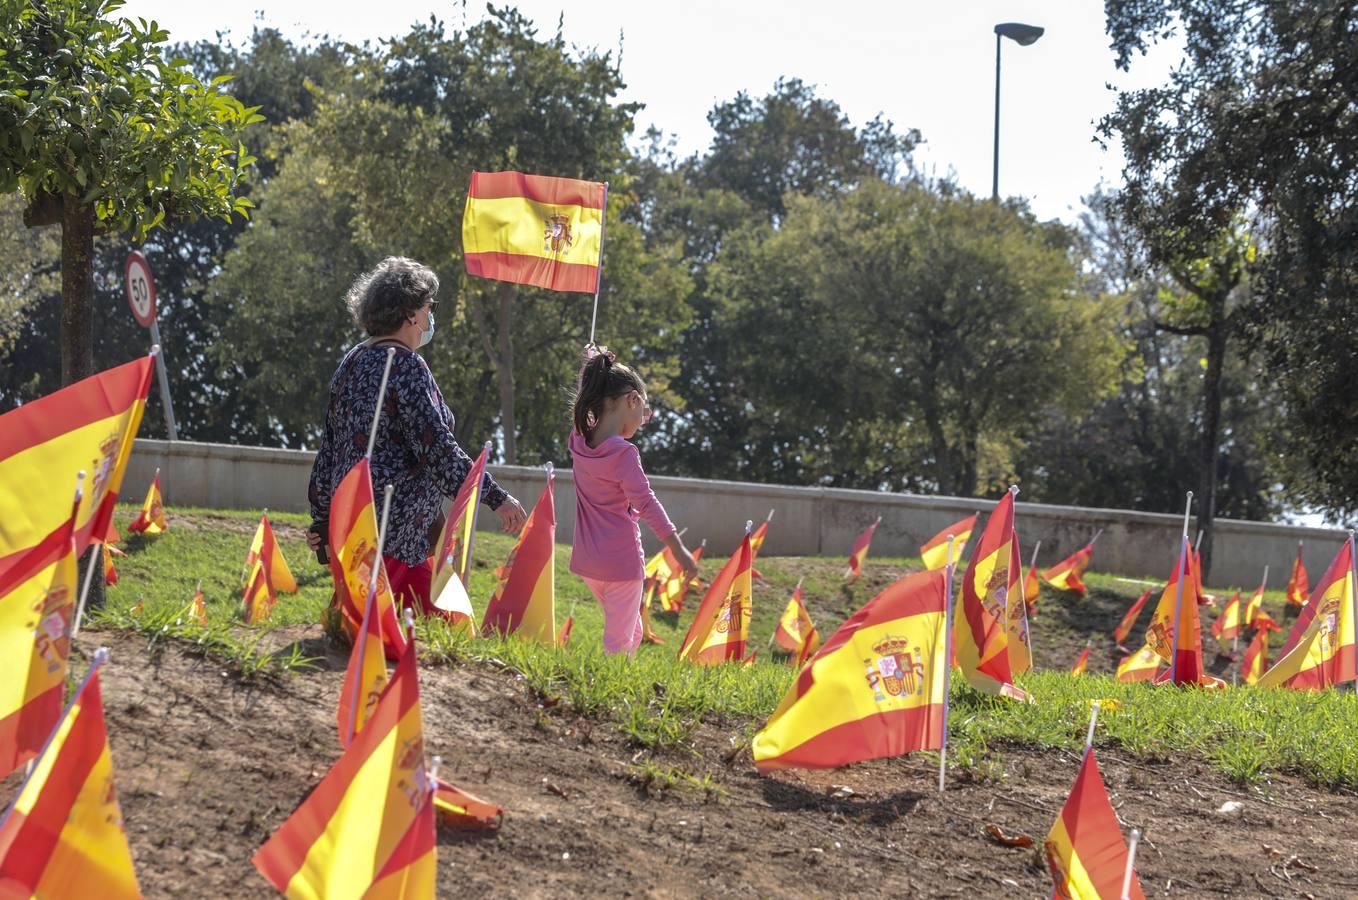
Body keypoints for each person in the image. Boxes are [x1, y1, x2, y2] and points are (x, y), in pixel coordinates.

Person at [307, 256, 527, 617]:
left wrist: (321, 517)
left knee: (395, 624)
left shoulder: (351, 362)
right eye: (430, 307)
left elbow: (330, 448)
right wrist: (494, 497)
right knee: (392, 630)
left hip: (357, 524)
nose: (430, 317)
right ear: (411, 312)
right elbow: (437, 449)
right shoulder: (407, 365)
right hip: (397, 533)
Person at [569, 345, 697, 654]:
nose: (643, 419)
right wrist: (678, 549)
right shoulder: (624, 453)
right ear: (632, 400)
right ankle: (604, 694)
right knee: (619, 644)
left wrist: (591, 367)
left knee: (632, 631)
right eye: (645, 411)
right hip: (621, 565)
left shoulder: (578, 440)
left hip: (589, 564)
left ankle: (615, 679)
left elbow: (587, 393)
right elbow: (646, 503)